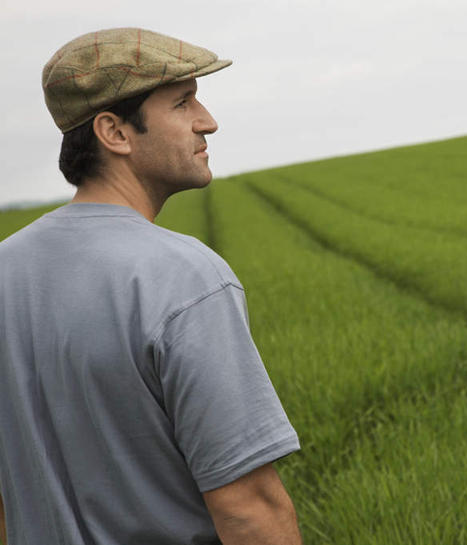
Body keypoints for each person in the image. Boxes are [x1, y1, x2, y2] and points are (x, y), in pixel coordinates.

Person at [0, 28, 302, 544]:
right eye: (183, 103)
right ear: (114, 132)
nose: (208, 122)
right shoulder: (183, 278)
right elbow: (249, 508)